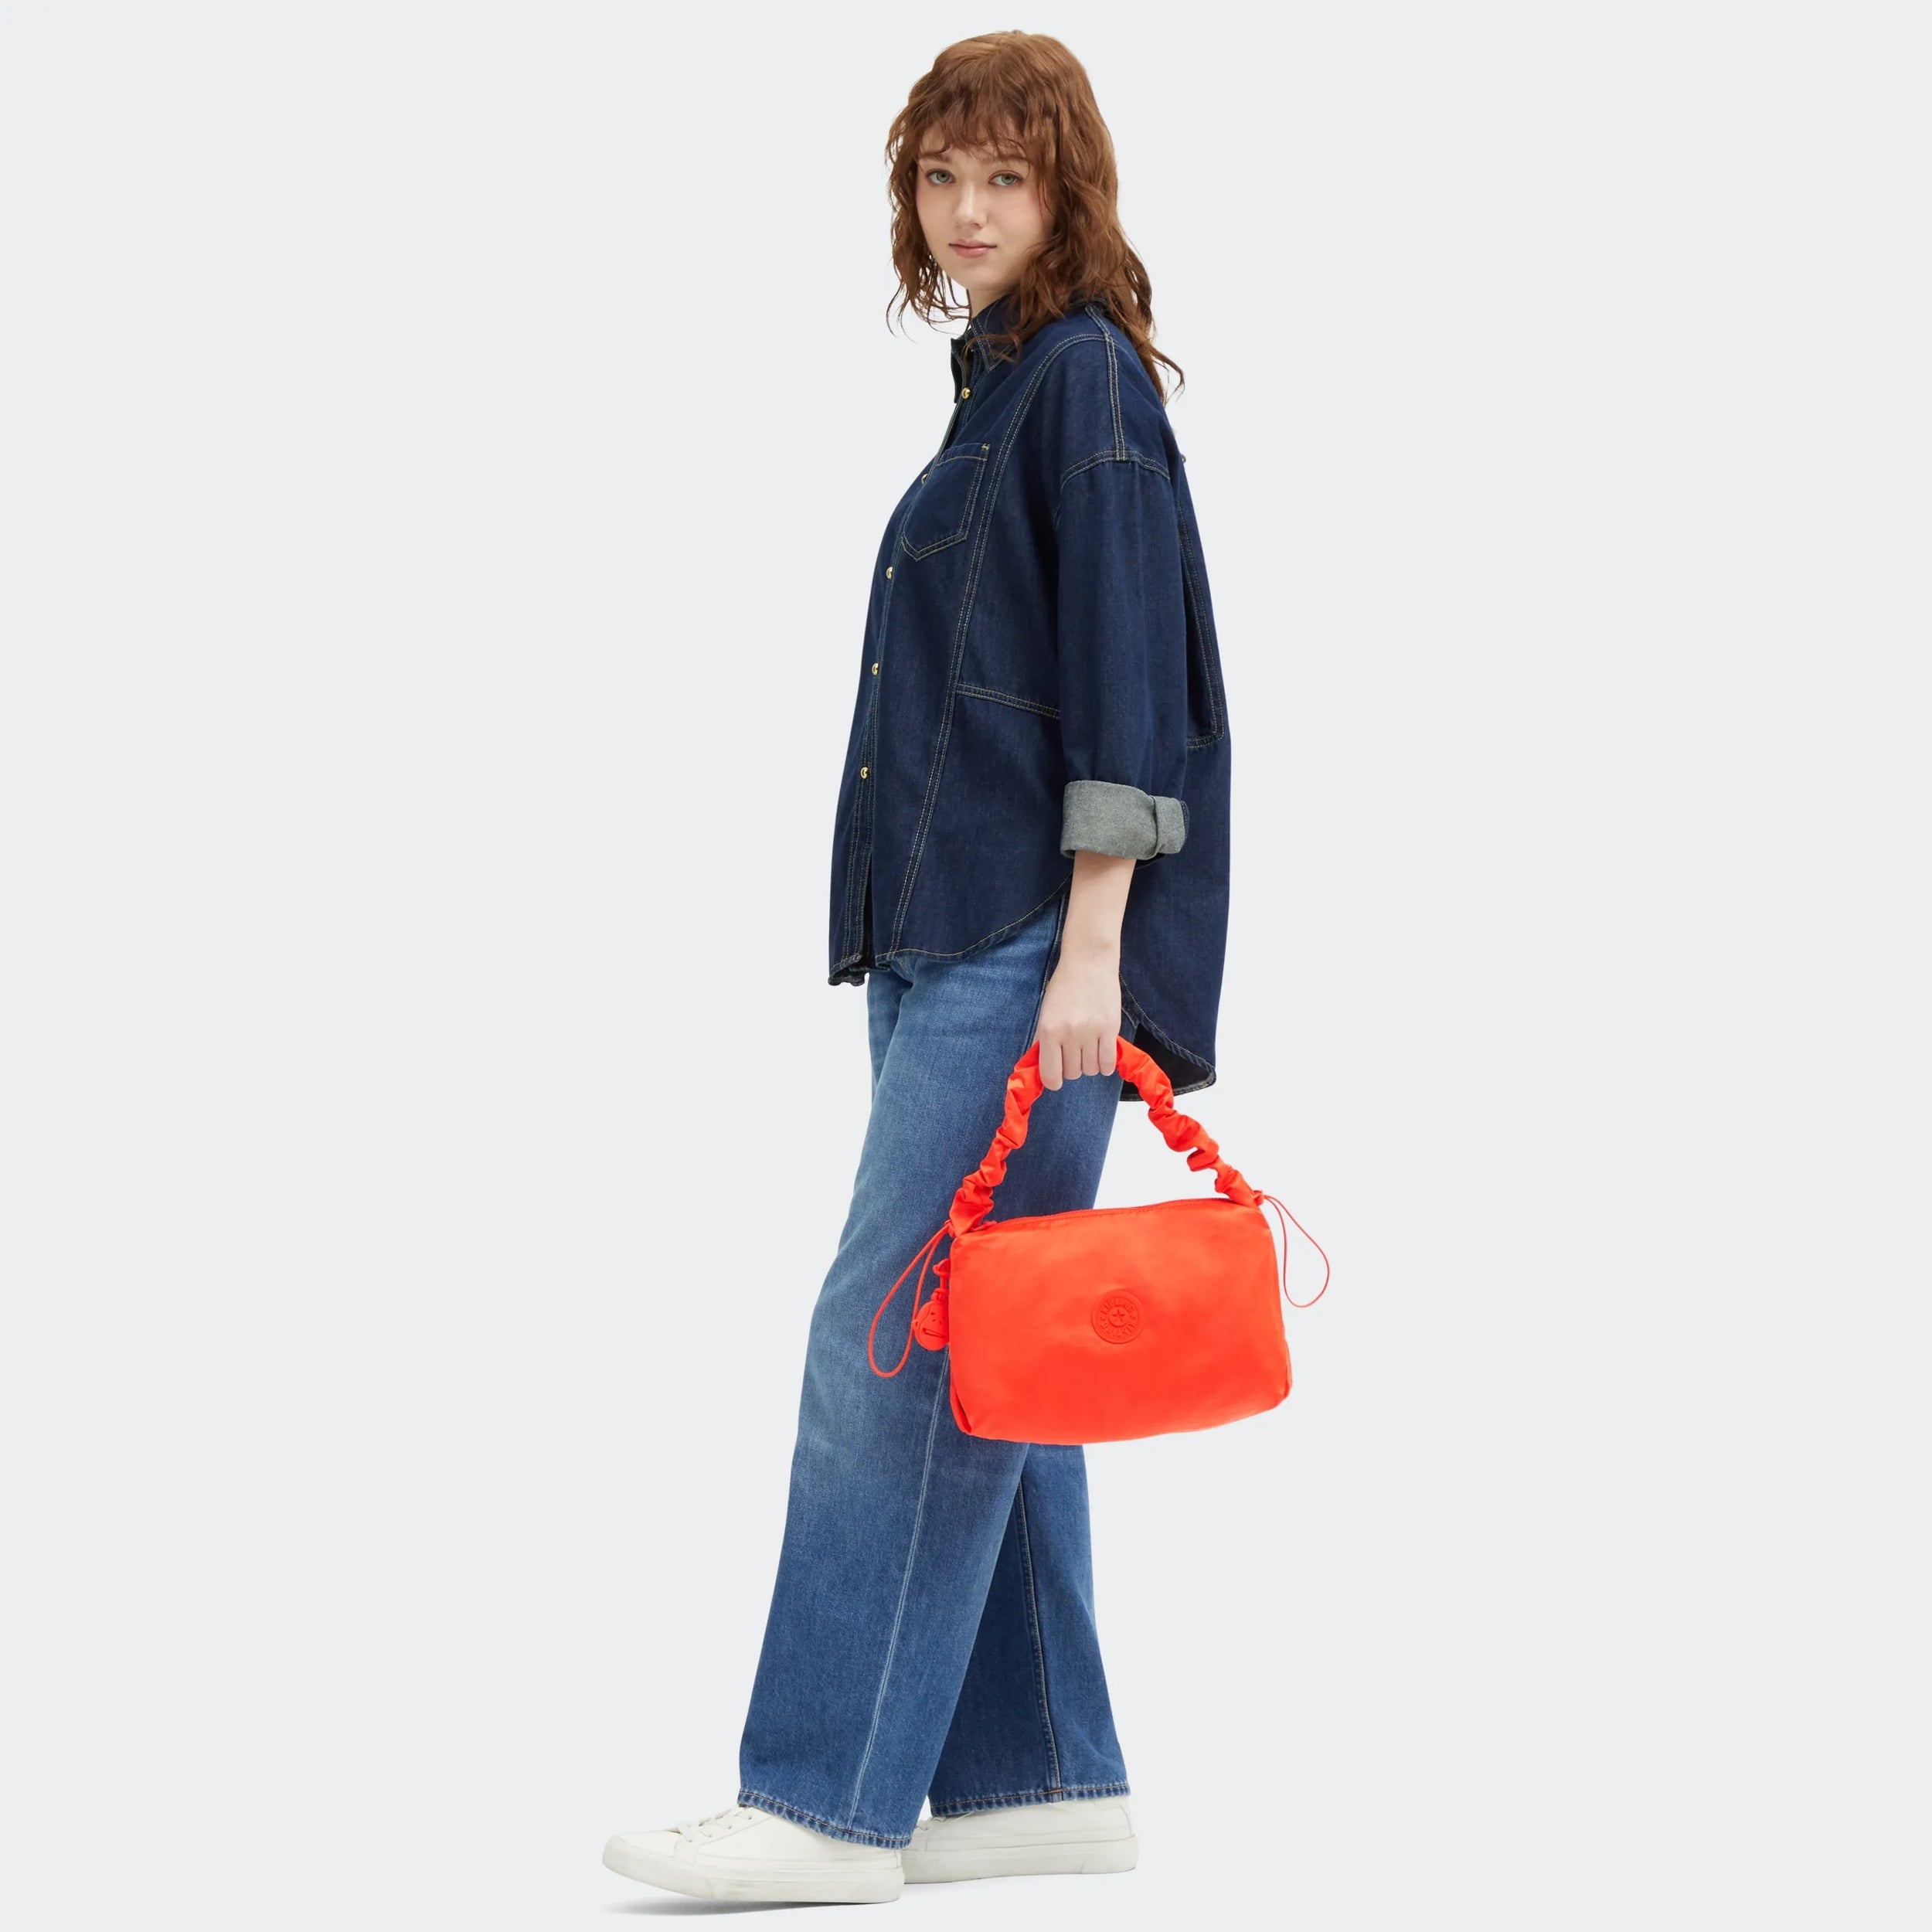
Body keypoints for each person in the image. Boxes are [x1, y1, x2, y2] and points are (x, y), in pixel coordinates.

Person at [604, 30, 1233, 1905]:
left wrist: (1091, 952)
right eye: (939, 177)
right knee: (998, 1330)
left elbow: (1130, 697)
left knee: (887, 1334)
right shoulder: (1004, 391)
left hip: (1023, 947)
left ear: (1064, 191)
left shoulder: (1082, 384)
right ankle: (1036, 1775)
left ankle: (821, 1797)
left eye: (1001, 179)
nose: (965, 211)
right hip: (945, 934)